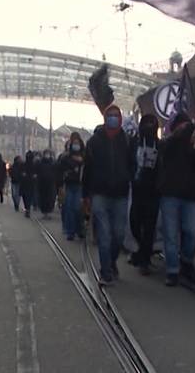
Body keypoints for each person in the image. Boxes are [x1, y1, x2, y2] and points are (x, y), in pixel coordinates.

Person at [83, 105, 134, 285]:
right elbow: (87, 169)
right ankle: (105, 272)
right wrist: (86, 194)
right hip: (100, 194)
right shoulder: (94, 141)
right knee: (104, 235)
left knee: (119, 235)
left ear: (120, 119)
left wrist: (129, 180)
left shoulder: (127, 141)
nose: (113, 118)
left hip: (120, 193)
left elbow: (132, 164)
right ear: (105, 118)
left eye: (116, 116)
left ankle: (111, 262)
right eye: (110, 115)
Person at [157, 113, 195, 286]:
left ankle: (186, 260)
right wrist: (187, 130)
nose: (185, 129)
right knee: (171, 234)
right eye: (182, 126)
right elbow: (167, 150)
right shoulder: (168, 143)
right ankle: (172, 270)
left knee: (193, 231)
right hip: (170, 194)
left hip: (189, 195)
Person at [129, 115, 161, 274]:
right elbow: (128, 162)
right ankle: (141, 250)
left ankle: (144, 259)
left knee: (149, 226)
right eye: (146, 124)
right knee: (134, 222)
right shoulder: (133, 143)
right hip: (136, 190)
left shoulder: (160, 145)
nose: (149, 127)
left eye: (152, 124)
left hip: (153, 192)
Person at [59, 134, 86, 235]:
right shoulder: (66, 157)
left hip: (79, 185)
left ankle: (78, 228)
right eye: (74, 143)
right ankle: (70, 231)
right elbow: (60, 169)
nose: (76, 145)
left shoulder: (84, 156)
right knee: (69, 207)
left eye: (77, 143)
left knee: (77, 208)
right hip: (69, 184)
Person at [36, 150, 58, 218]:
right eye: (46, 154)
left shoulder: (53, 163)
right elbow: (37, 171)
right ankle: (44, 211)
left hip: (50, 182)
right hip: (42, 183)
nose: (47, 155)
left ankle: (48, 211)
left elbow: (56, 171)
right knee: (43, 197)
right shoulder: (40, 163)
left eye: (48, 154)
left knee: (50, 197)